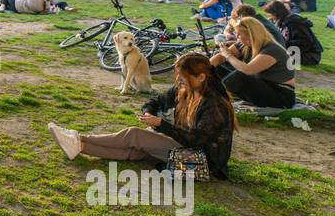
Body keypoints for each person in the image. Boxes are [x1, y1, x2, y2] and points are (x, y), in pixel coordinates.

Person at [49, 52, 235, 179]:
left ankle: (77, 137)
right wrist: (149, 114)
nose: (178, 80)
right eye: (177, 75)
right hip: (185, 149)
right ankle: (79, 147)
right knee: (136, 150)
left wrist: (161, 125)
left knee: (135, 135)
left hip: (202, 162)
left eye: (183, 76)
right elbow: (155, 102)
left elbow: (196, 140)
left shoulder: (214, 105)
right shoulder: (184, 89)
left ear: (201, 77)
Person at [209, 16, 296, 110]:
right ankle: (212, 93)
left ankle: (215, 97)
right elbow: (220, 57)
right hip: (262, 86)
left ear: (250, 35)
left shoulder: (272, 49)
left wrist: (228, 55)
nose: (237, 37)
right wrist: (200, 70)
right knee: (218, 68)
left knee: (239, 76)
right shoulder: (245, 44)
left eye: (238, 34)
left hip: (281, 95)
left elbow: (247, 70)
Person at [262, 0, 322, 67]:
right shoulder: (283, 21)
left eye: (271, 15)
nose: (271, 17)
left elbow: (306, 42)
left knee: (272, 55)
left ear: (276, 14)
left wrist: (282, 44)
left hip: (309, 56)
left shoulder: (294, 23)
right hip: (297, 53)